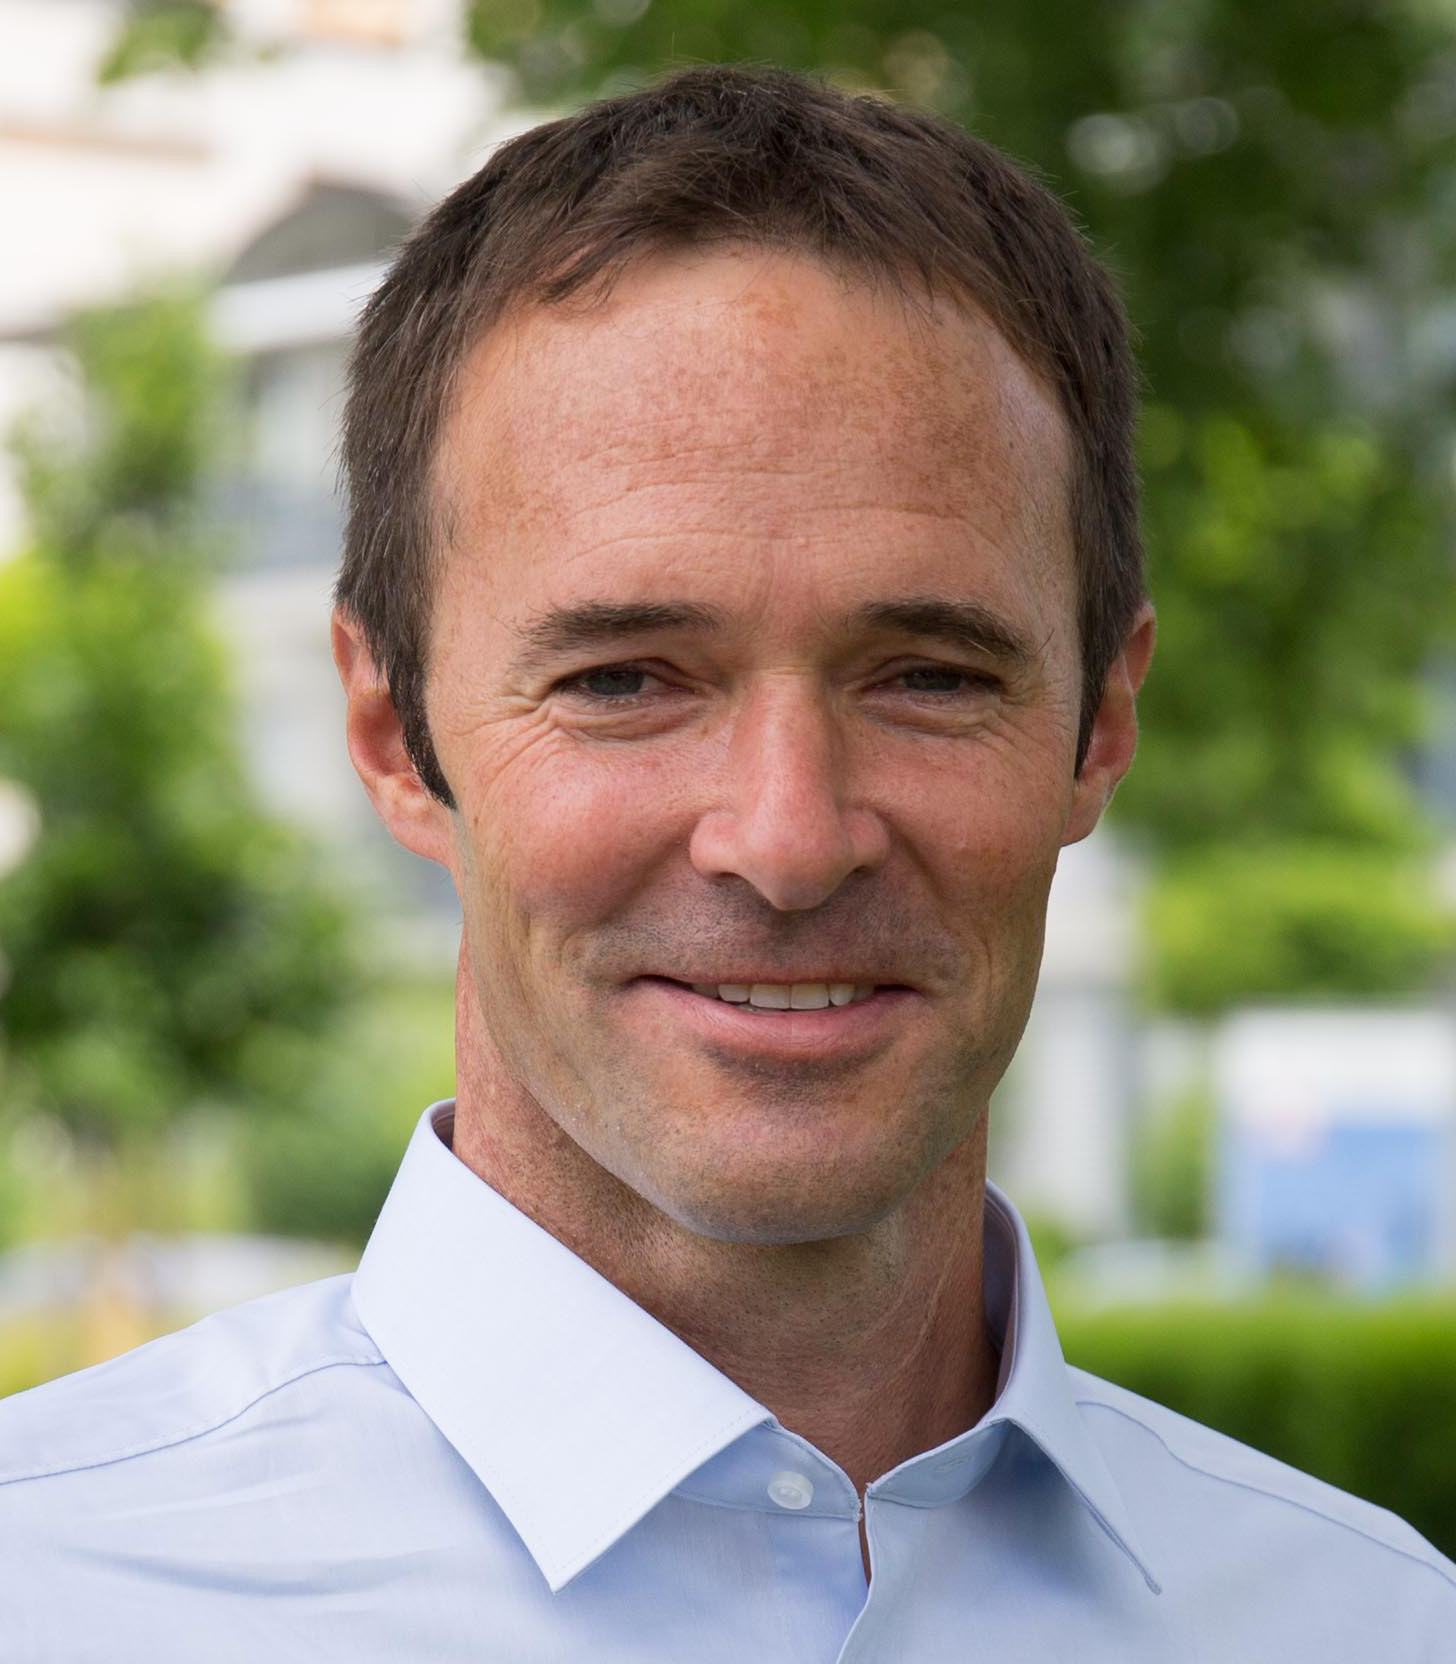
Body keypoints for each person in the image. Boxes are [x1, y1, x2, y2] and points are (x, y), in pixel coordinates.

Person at [1, 63, 1451, 1663]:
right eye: (625, 680)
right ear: (394, 733)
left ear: (1100, 727)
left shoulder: (1373, 1625)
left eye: (928, 677)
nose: (786, 839)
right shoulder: (51, 1593)